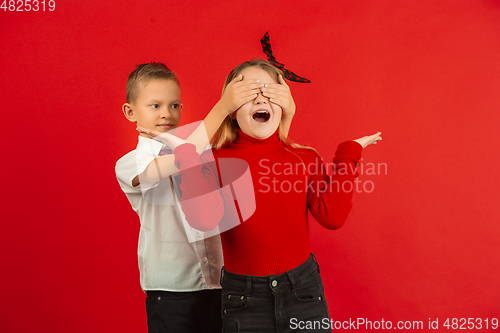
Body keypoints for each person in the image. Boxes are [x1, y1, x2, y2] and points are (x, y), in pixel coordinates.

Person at [140, 59, 382, 332]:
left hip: (303, 291)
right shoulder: (215, 160)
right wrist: (186, 154)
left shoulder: (303, 158)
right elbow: (205, 219)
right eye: (248, 94)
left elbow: (332, 216)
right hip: (243, 298)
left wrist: (348, 154)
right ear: (231, 110)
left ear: (284, 105)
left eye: (269, 93)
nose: (260, 100)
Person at [115, 62, 295, 333]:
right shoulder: (129, 164)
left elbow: (263, 154)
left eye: (175, 105)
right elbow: (181, 157)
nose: (166, 114)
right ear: (130, 112)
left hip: (225, 286)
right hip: (171, 290)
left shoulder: (207, 150)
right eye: (155, 106)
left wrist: (286, 114)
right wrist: (223, 107)